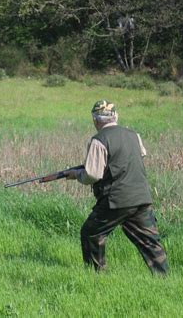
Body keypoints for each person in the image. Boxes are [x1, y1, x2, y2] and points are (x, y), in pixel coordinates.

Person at [64, 100, 169, 275]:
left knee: (91, 233)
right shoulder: (133, 135)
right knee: (150, 241)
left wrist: (76, 175)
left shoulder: (98, 141)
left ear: (95, 120)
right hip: (142, 197)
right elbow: (138, 155)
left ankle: (96, 276)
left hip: (116, 200)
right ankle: (164, 277)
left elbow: (92, 175)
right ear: (116, 117)